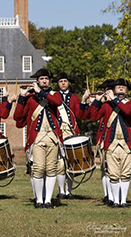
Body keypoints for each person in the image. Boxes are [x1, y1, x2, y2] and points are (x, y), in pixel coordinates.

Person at [14, 68, 63, 209]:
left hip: (52, 137)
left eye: (46, 79)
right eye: (41, 79)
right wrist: (22, 97)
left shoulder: (54, 94)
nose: (44, 81)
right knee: (39, 168)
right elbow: (18, 118)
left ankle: (48, 200)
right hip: (37, 138)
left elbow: (57, 102)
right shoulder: (30, 98)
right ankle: (39, 199)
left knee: (51, 169)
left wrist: (40, 92)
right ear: (37, 81)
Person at [90, 78, 131, 208]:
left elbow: (127, 111)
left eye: (123, 87)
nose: (120, 88)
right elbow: (93, 116)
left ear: (127, 90)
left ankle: (123, 200)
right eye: (118, 87)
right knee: (113, 173)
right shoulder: (107, 105)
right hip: (111, 143)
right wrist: (97, 100)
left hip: (126, 143)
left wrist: (113, 99)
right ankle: (115, 201)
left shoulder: (129, 103)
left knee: (125, 173)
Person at [52, 72, 88, 200]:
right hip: (58, 132)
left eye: (65, 81)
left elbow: (79, 115)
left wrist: (83, 101)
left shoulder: (74, 97)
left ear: (69, 83)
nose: (63, 83)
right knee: (60, 163)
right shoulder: (53, 96)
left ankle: (69, 191)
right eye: (60, 81)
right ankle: (61, 191)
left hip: (71, 131)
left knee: (71, 163)